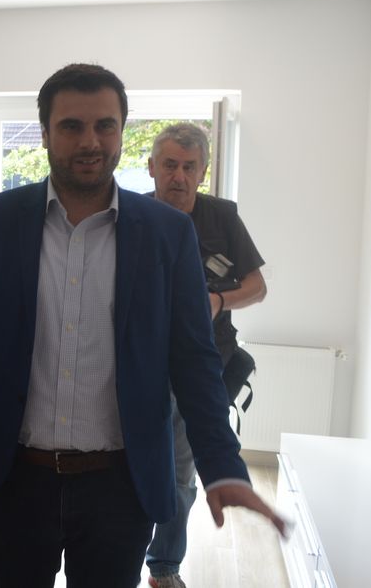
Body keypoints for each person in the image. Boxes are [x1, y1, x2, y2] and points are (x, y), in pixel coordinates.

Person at [0, 63, 284, 588]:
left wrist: (222, 465)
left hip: (120, 488)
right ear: (44, 133)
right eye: (71, 126)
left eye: (105, 126)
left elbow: (193, 360)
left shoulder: (167, 233)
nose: (90, 141)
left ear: (122, 133)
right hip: (16, 481)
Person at [144, 122, 267, 588]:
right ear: (152, 167)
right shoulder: (132, 215)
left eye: (189, 167)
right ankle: (120, 558)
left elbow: (257, 287)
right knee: (130, 466)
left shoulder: (223, 218)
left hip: (202, 365)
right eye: (170, 165)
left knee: (180, 471)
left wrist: (218, 301)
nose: (179, 176)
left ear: (203, 171)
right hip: (140, 364)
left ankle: (164, 566)